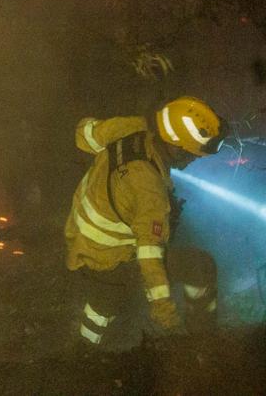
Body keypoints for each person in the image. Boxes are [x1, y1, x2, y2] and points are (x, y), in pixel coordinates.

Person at [64, 96, 225, 347]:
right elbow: (150, 256)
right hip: (109, 259)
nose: (194, 159)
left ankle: (82, 352)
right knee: (201, 267)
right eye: (192, 154)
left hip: (79, 237)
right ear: (175, 146)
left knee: (104, 303)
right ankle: (203, 342)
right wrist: (167, 317)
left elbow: (83, 135)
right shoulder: (149, 190)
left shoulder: (133, 128)